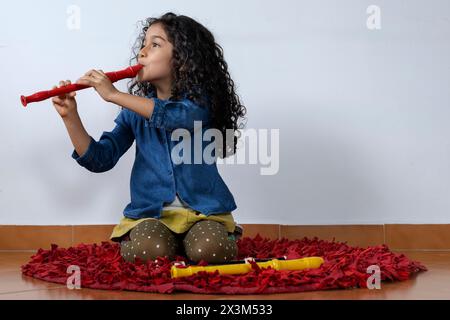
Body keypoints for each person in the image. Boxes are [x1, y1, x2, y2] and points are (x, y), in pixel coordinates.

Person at [51, 12, 247, 264]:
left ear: (183, 59)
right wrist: (71, 117)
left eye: (154, 44)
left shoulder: (200, 104)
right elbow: (101, 159)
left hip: (204, 213)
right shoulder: (132, 113)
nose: (142, 52)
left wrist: (113, 94)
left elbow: (176, 118)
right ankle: (171, 244)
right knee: (150, 252)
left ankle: (202, 239)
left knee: (210, 251)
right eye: (143, 44)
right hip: (150, 216)